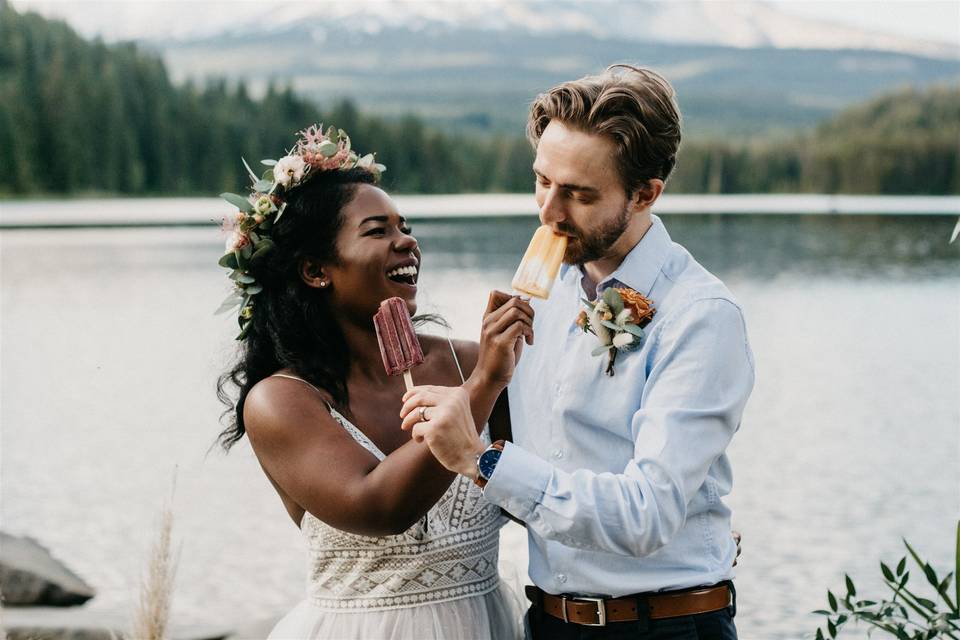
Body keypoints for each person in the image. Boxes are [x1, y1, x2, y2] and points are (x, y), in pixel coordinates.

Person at [399, 65, 755, 639]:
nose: (548, 212)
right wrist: (484, 385)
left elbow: (648, 513)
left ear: (645, 193)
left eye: (578, 194)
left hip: (661, 627)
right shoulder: (543, 292)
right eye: (542, 181)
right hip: (549, 621)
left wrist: (480, 460)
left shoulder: (701, 316)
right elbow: (546, 472)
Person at [214, 125, 532, 639]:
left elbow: (541, 491)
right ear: (317, 271)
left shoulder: (465, 358)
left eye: (404, 227)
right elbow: (379, 508)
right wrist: (486, 384)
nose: (406, 240)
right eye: (377, 231)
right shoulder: (279, 401)